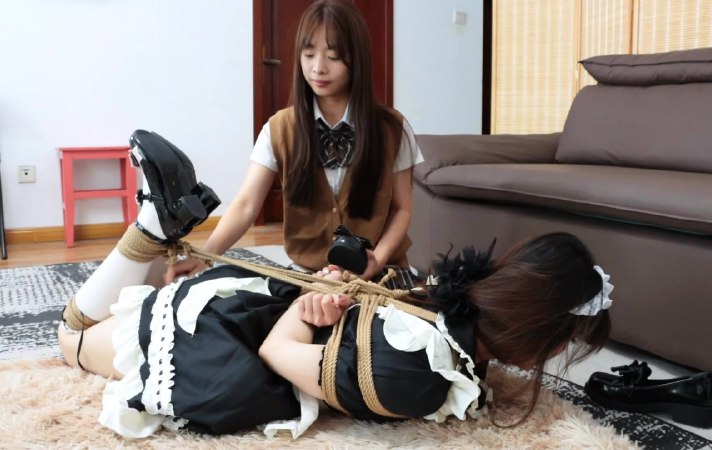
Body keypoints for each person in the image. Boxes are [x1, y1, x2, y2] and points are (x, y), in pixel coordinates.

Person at [58, 133, 612, 439]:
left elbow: (307, 337)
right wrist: (321, 298)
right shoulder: (416, 378)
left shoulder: (444, 304)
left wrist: (320, 299)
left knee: (85, 327)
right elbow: (276, 352)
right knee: (70, 339)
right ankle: (151, 230)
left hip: (250, 313)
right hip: (234, 344)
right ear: (542, 339)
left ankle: (153, 231)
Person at [166, 0, 423, 286]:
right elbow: (247, 205)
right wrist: (205, 256)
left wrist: (377, 259)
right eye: (309, 54)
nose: (318, 68)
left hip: (380, 274)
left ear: (357, 59)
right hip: (307, 275)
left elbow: (402, 208)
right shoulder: (279, 128)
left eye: (333, 56)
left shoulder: (392, 128)